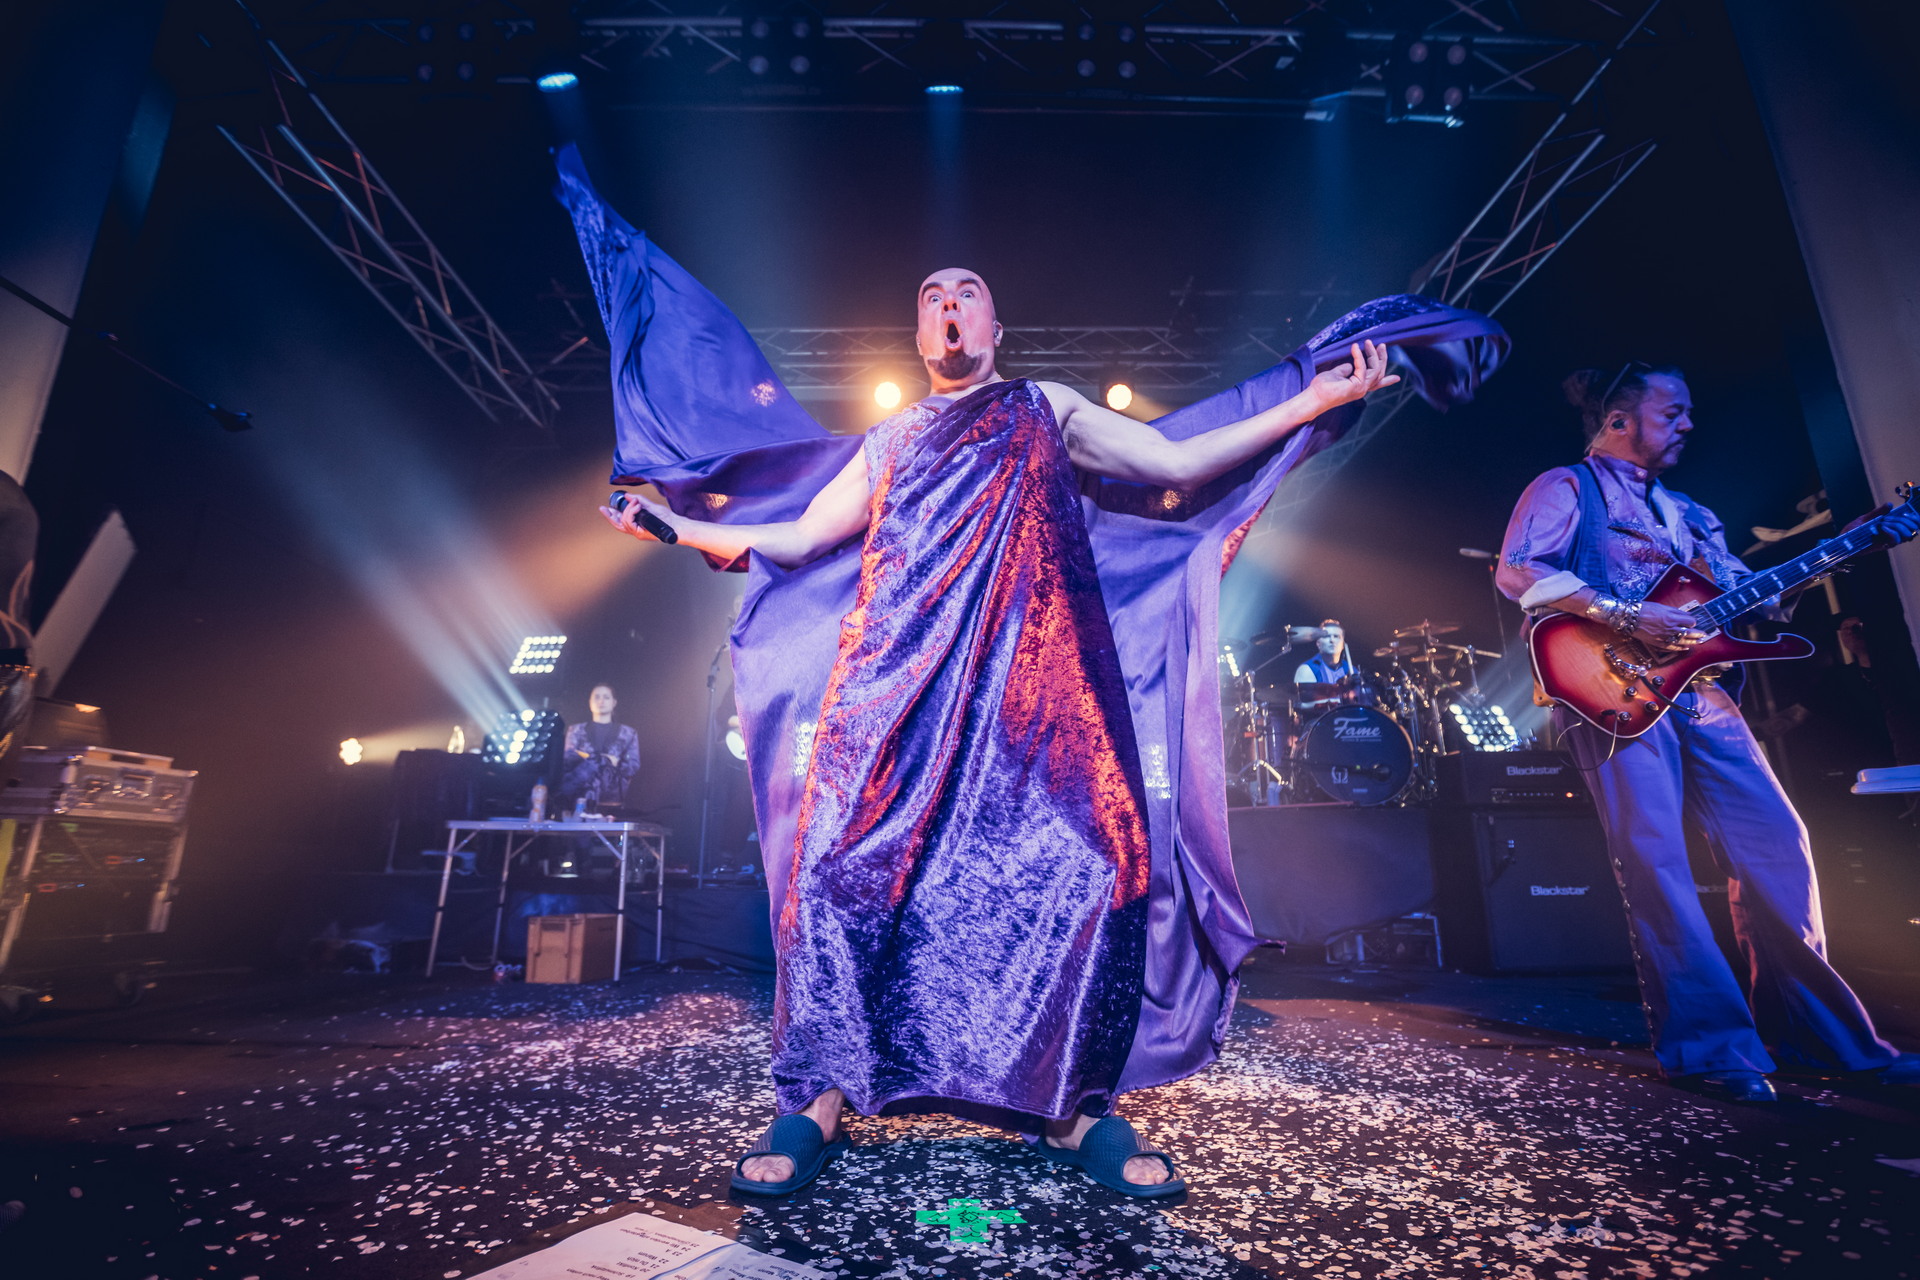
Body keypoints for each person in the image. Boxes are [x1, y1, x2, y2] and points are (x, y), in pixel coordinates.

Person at [558, 142, 1507, 1197]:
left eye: (967, 293)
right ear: (919, 333)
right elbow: (795, 537)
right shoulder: (890, 437)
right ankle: (816, 1098)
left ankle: (1074, 1107)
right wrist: (681, 526)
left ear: (995, 327)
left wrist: (1310, 403)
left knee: (1090, 872)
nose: (950, 306)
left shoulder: (1046, 405)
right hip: (896, 694)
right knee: (838, 877)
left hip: (1038, 697)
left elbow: (1177, 463)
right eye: (933, 297)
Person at [1495, 362, 1920, 1103]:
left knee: (1777, 842)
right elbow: (1518, 571)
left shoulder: (1690, 512)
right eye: (1674, 412)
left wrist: (1846, 549)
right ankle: (1711, 1050)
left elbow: (1747, 596)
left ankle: (1818, 1037)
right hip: (1611, 688)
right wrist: (1628, 614)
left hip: (1702, 691)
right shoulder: (1567, 487)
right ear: (1619, 420)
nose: (1689, 424)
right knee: (1656, 861)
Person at [560, 684, 640, 813]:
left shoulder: (628, 733)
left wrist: (616, 764)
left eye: (606, 697)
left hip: (612, 799)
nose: (601, 701)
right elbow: (568, 758)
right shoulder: (575, 730)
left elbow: (633, 765)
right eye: (597, 697)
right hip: (579, 798)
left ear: (614, 702)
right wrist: (603, 759)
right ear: (590, 702)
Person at [1293, 620, 1358, 712]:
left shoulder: (1352, 671)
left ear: (1343, 644)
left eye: (1336, 636)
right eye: (1327, 636)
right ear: (1318, 643)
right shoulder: (1307, 670)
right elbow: (1303, 706)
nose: (1332, 640)